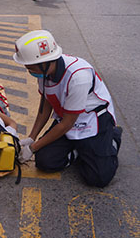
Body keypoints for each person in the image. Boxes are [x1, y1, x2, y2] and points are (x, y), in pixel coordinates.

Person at [14, 30, 122, 187]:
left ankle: (113, 138)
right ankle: (80, 151)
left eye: (30, 67)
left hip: (92, 120)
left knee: (98, 178)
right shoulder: (45, 74)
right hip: (66, 118)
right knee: (45, 162)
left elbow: (67, 124)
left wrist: (33, 147)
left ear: (45, 63)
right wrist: (32, 137)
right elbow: (45, 106)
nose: (29, 70)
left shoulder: (78, 77)